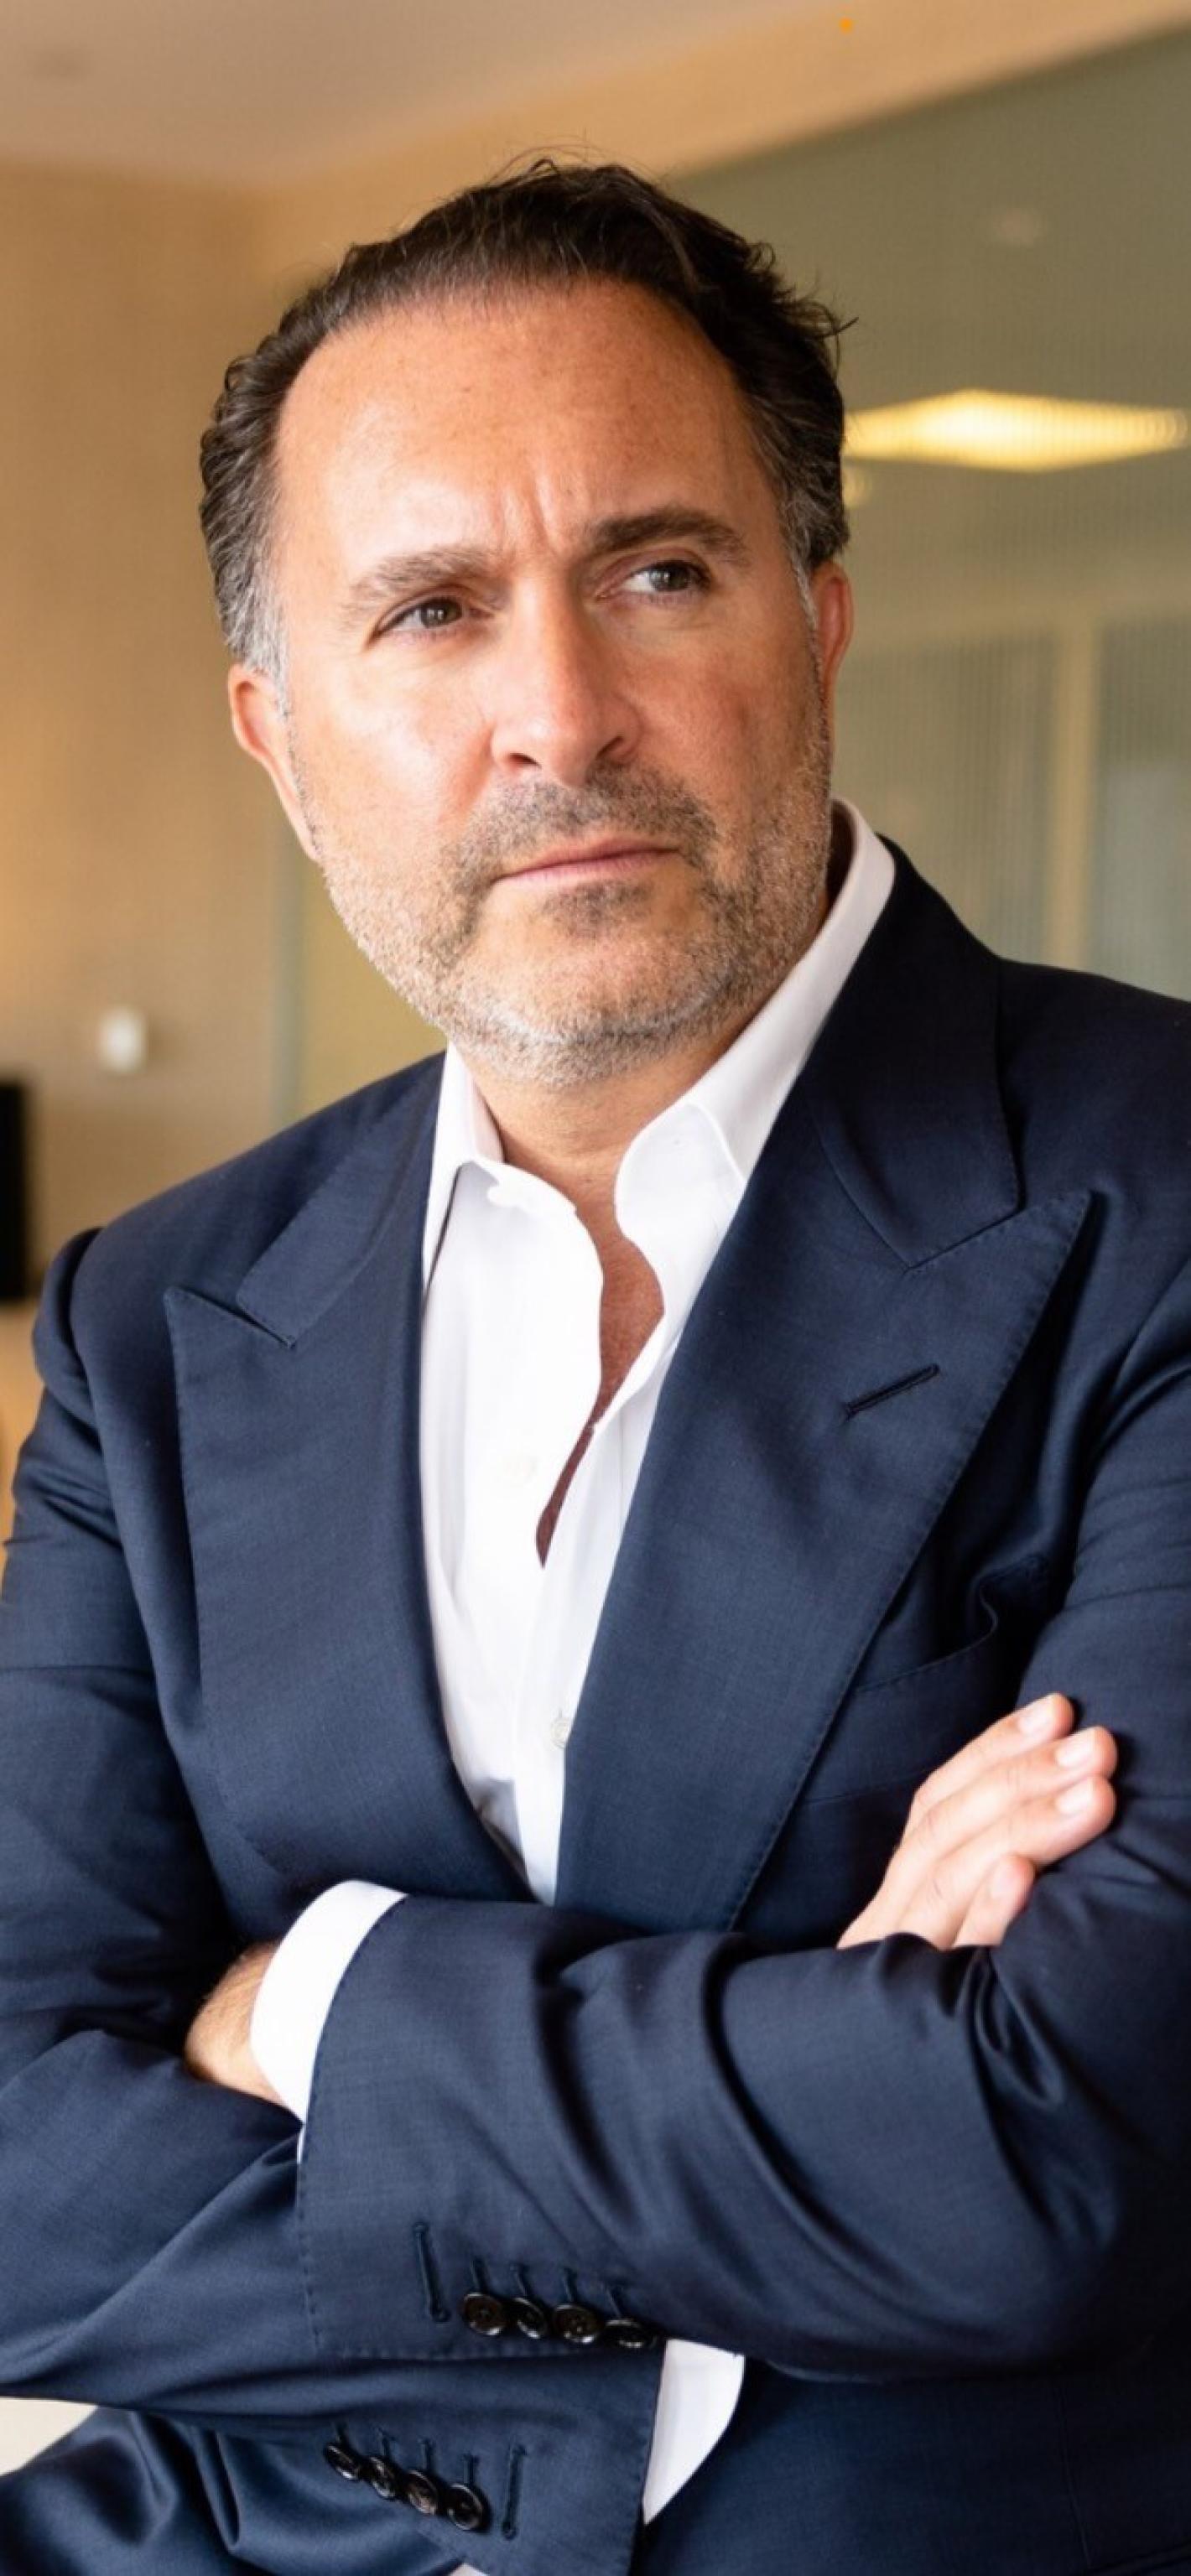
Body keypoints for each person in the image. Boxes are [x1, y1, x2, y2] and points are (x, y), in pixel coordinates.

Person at [0, 154, 1187, 2576]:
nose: (557, 716)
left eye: (656, 572)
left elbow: (1036, 2161)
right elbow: (18, 2175)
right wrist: (802, 2084)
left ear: (817, 616)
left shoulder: (1156, 1195)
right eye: (429, 610)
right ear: (278, 734)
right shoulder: (157, 1312)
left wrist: (304, 2002)